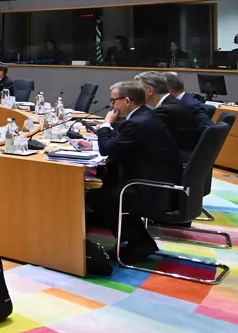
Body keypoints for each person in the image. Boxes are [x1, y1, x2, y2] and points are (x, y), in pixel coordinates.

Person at [75, 81, 181, 264]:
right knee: (106, 186)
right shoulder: (143, 116)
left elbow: (109, 149)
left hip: (152, 189)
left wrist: (106, 124)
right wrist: (93, 144)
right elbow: (122, 144)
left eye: (113, 100)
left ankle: (140, 243)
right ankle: (134, 239)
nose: (111, 105)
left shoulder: (137, 122)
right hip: (156, 180)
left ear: (126, 101)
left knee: (98, 197)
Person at [134, 71, 203, 159]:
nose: (135, 94)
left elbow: (140, 134)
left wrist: (110, 123)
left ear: (150, 90)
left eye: (138, 90)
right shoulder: (173, 103)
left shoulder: (165, 110)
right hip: (188, 156)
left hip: (177, 159)